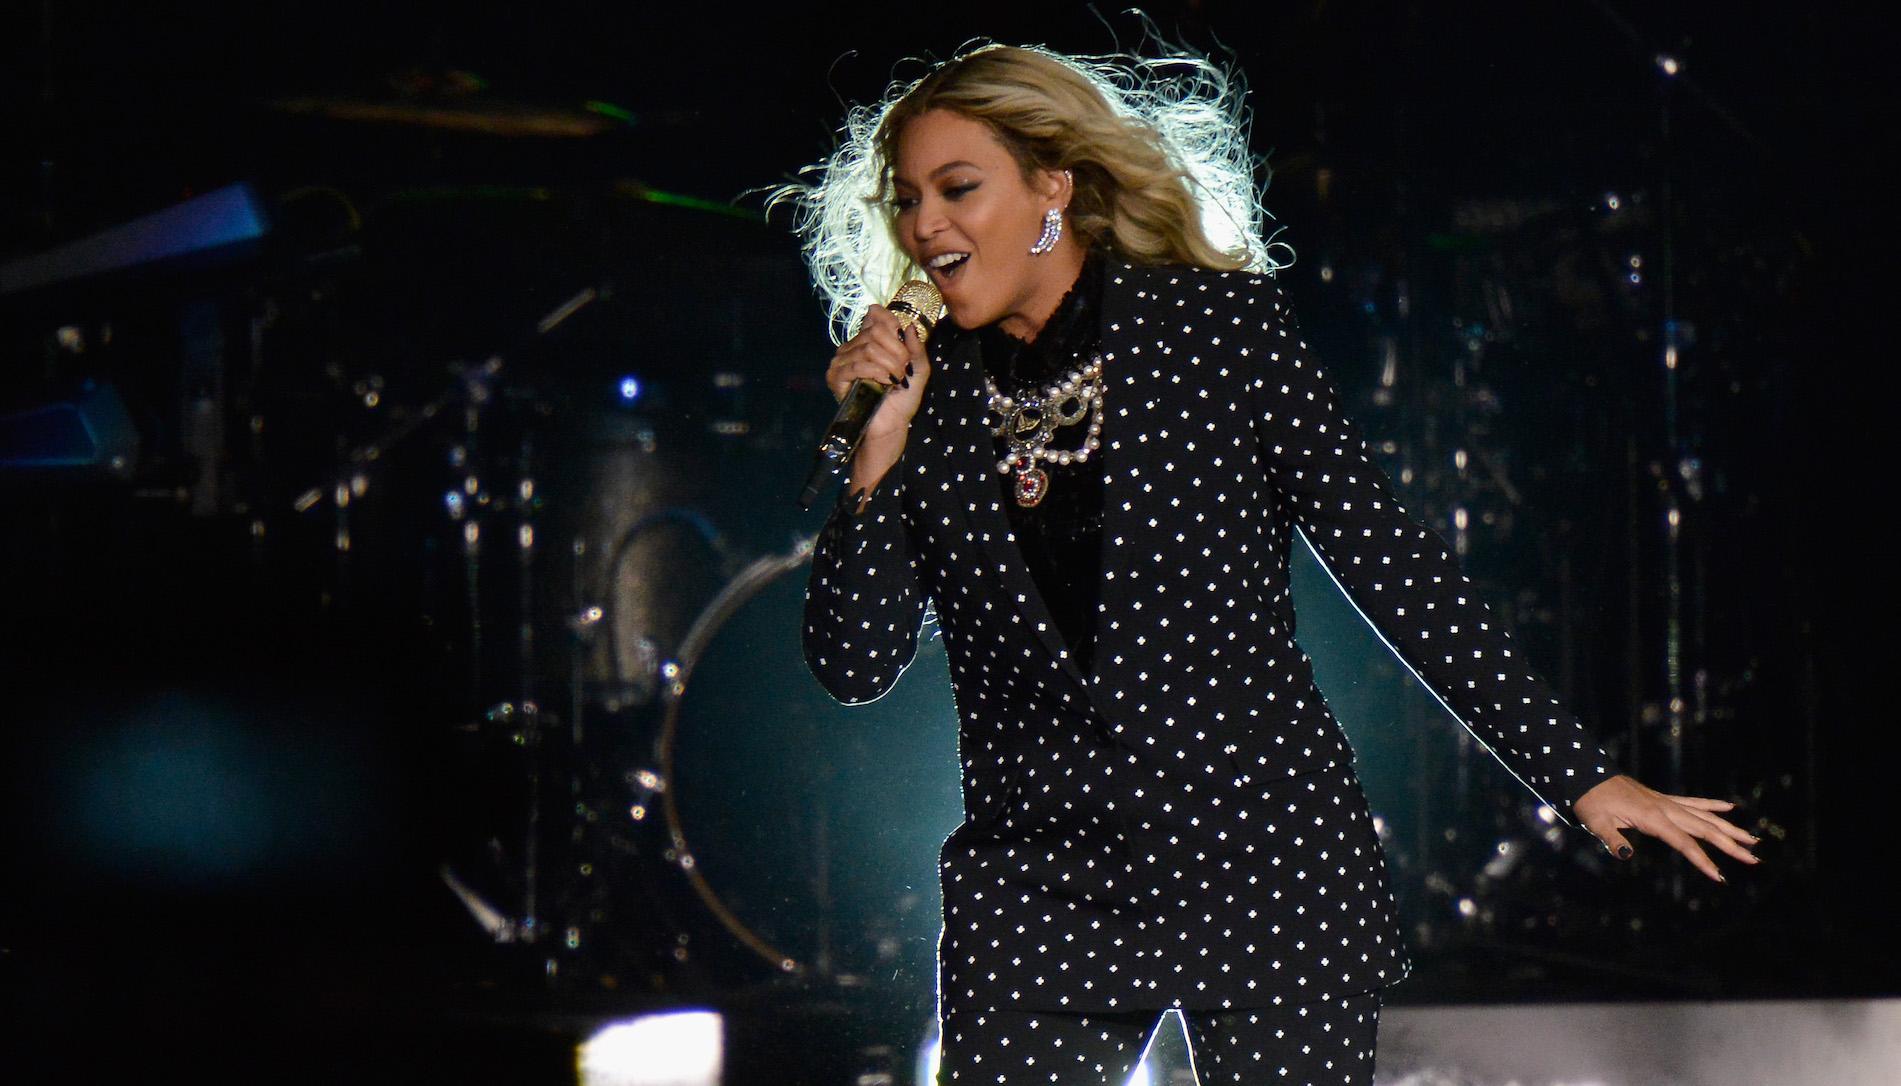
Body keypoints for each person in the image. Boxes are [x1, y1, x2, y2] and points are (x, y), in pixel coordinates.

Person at [776, 42, 1760, 1085]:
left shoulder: (1214, 332)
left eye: (957, 188)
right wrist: (873, 460)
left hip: (1259, 858)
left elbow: (1387, 561)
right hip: (1038, 888)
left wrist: (1579, 775)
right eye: (906, 198)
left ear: (1051, 185)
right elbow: (852, 660)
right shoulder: (927, 406)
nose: (924, 225)